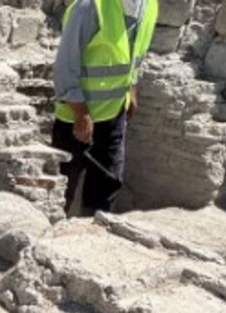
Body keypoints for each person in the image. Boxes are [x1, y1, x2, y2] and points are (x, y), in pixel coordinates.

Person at [52, 0, 159, 217]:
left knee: (106, 183)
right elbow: (65, 65)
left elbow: (135, 52)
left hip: (114, 113)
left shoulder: (149, 5)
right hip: (76, 116)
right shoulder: (92, 6)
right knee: (61, 187)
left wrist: (132, 89)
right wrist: (80, 113)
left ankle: (94, 235)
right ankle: (49, 234)